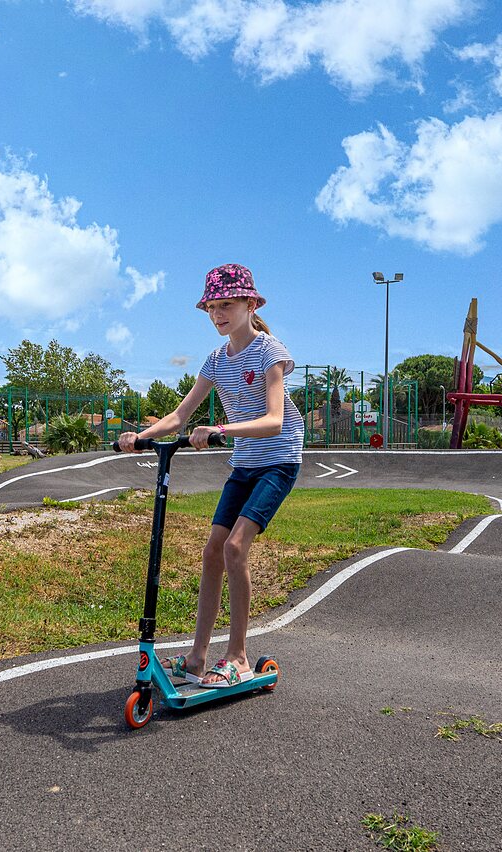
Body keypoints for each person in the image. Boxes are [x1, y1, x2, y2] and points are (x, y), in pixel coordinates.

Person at [117, 263, 305, 688]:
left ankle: (238, 657)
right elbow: (179, 416)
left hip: (278, 461)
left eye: (227, 305)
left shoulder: (270, 352)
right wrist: (139, 437)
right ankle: (197, 658)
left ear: (251, 305)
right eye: (212, 308)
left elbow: (274, 420)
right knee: (212, 552)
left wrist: (221, 429)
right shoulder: (216, 361)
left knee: (236, 548)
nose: (218, 314)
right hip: (244, 465)